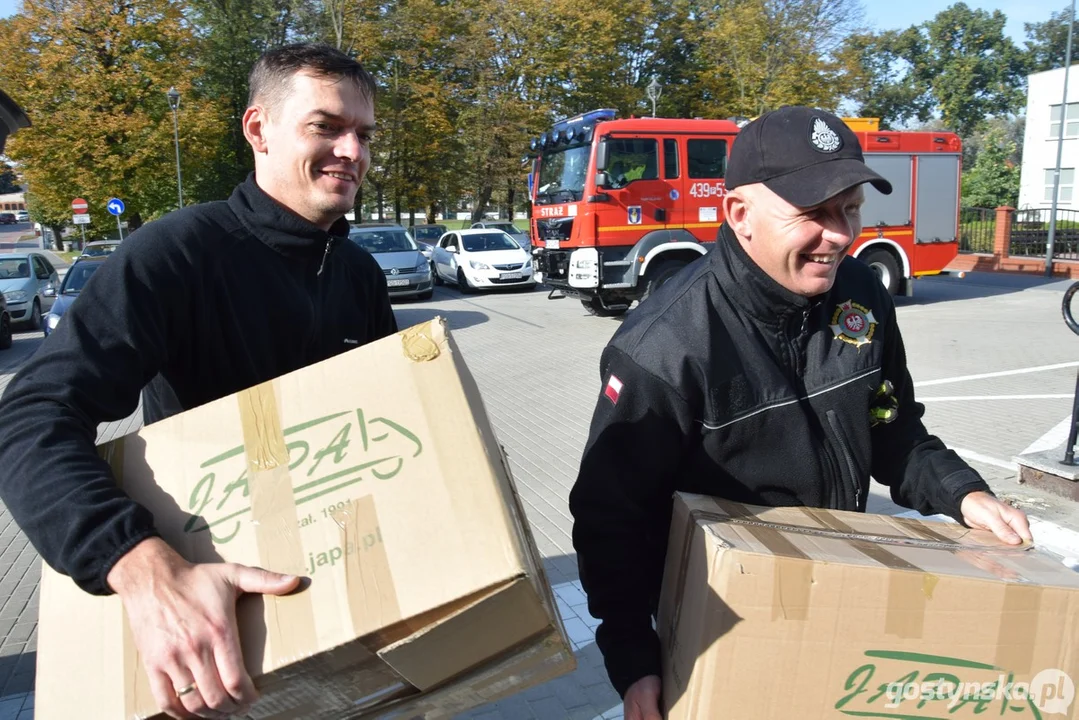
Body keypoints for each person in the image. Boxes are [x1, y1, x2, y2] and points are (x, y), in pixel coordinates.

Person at [567, 106, 1032, 720]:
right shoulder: (665, 346)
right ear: (740, 214)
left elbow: (892, 428)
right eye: (813, 213)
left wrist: (962, 494)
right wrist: (634, 662)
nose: (839, 234)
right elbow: (611, 518)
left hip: (839, 589)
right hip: (720, 627)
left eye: (849, 208)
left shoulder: (862, 292)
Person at [0, 44, 396, 719]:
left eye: (363, 134)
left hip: (352, 607)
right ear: (257, 129)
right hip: (217, 628)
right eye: (325, 127)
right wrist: (139, 565)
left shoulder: (359, 275)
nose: (351, 152)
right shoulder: (178, 252)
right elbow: (31, 420)